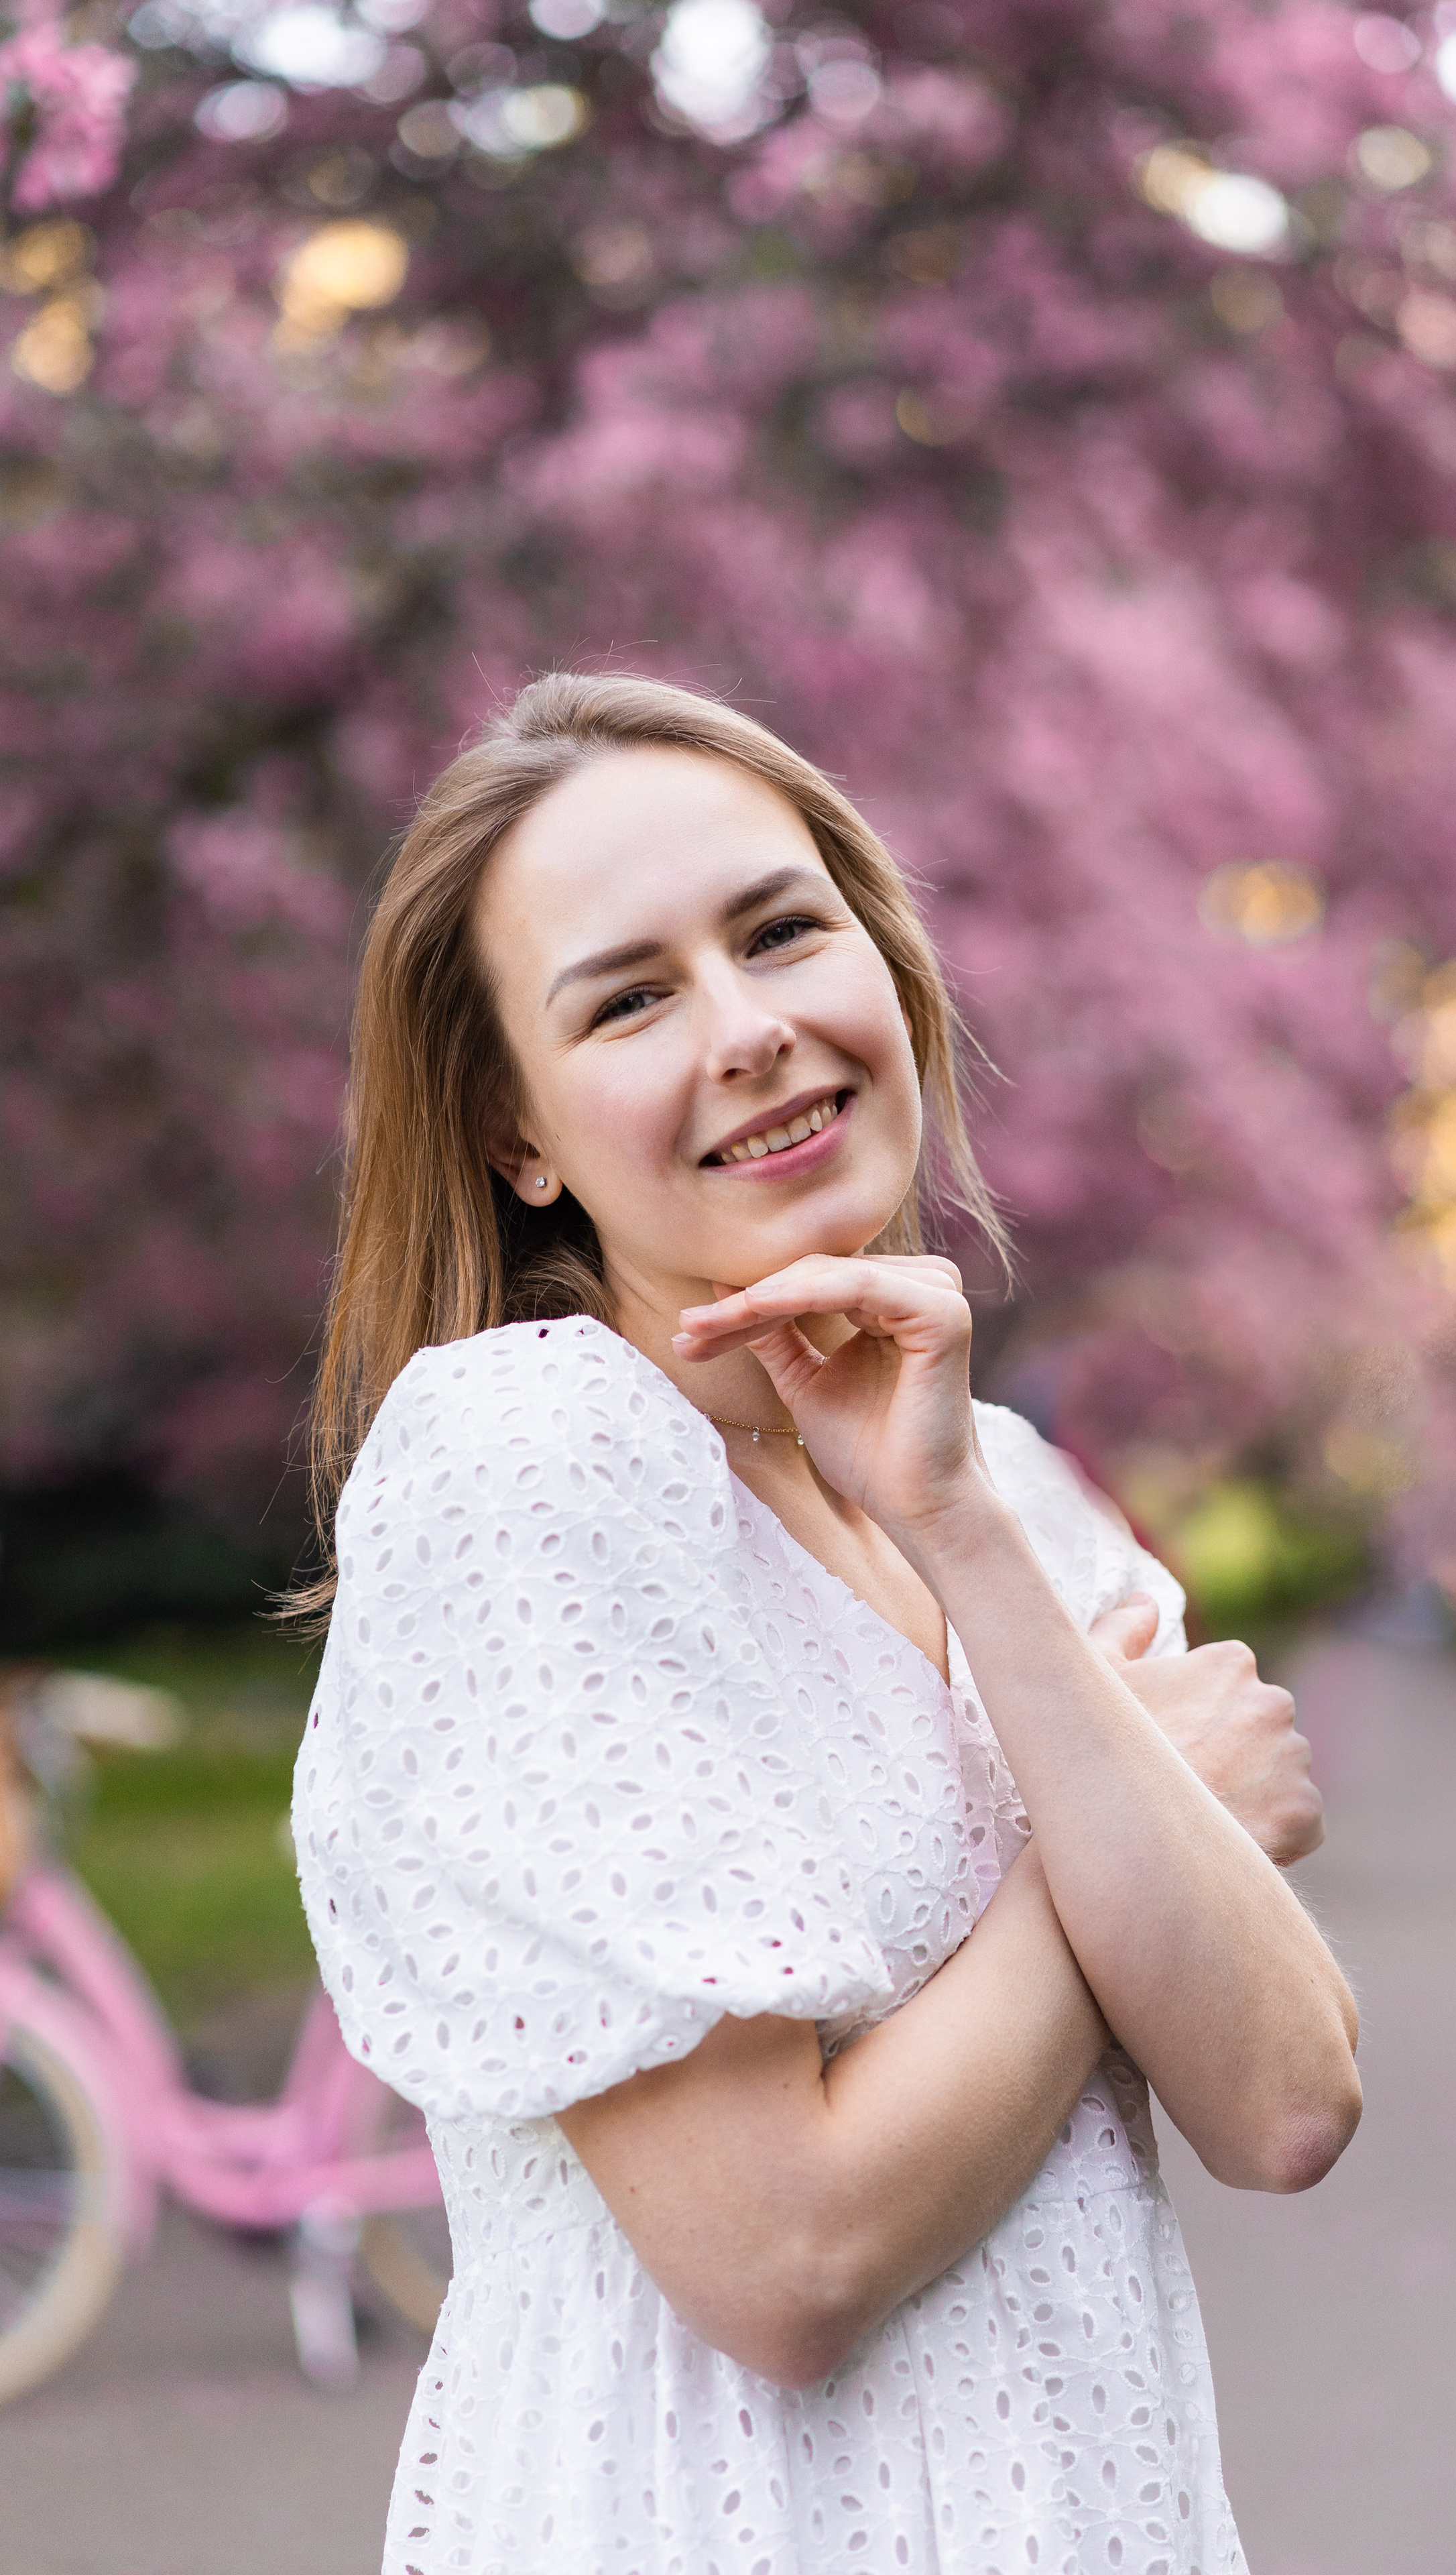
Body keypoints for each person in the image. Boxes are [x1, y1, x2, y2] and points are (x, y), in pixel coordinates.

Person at [292, 672, 1360, 2575]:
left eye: (784, 930)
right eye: (630, 997)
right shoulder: (527, 1466)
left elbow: (1284, 2103)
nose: (756, 1030)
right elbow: (785, 2255)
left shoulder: (1006, 1488)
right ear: (518, 1136)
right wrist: (1126, 1823)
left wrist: (953, 1527)